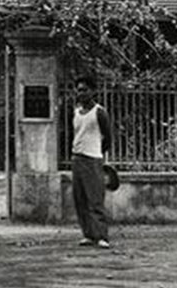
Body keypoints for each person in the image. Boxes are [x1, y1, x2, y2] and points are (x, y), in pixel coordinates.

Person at [71, 74, 114, 249]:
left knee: (95, 199)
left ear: (92, 91)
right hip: (77, 158)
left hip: (93, 159)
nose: (81, 93)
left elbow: (108, 137)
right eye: (79, 90)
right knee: (80, 199)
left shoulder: (99, 112)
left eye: (85, 90)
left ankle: (101, 235)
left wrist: (98, 153)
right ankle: (88, 234)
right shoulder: (76, 112)